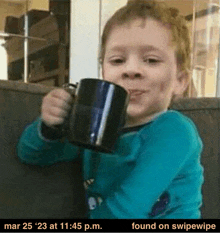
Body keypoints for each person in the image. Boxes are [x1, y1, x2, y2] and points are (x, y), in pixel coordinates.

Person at [17, 0, 204, 219]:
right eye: (117, 60)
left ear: (180, 81)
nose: (131, 70)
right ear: (103, 72)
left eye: (151, 60)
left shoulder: (174, 131)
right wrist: (49, 126)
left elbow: (127, 209)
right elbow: (30, 155)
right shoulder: (96, 127)